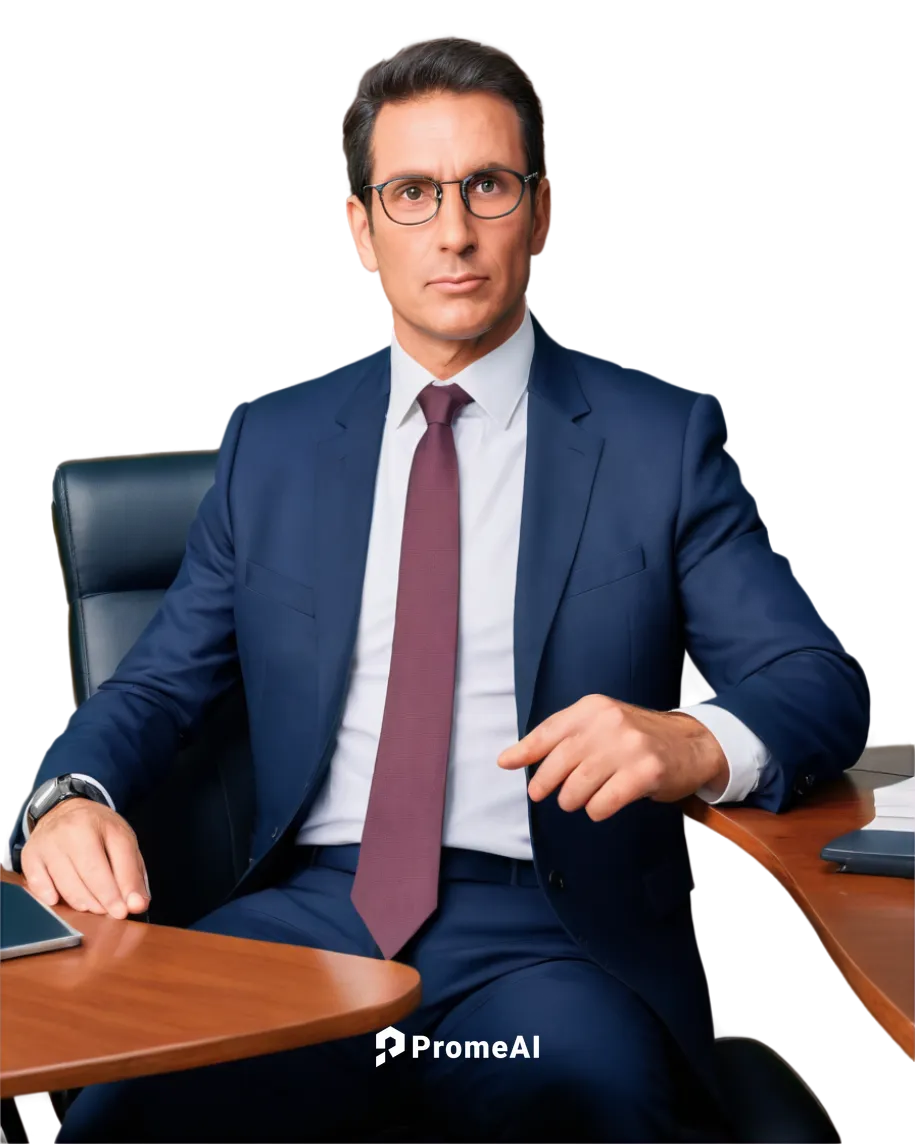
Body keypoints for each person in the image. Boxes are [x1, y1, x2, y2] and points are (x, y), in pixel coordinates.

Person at [10, 36, 868, 1144]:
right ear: (359, 230)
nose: (454, 231)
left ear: (540, 210)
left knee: (585, 1109)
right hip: (305, 928)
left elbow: (815, 683)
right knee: (124, 1123)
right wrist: (67, 792)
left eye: (487, 187)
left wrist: (693, 741)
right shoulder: (270, 446)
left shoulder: (658, 443)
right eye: (412, 192)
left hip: (548, 941)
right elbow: (158, 687)